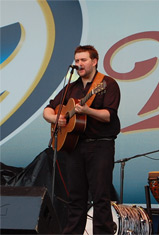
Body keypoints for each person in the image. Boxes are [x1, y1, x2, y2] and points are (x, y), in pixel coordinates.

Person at [43, 45, 121, 234]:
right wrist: (56, 118)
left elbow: (108, 115)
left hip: (100, 145)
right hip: (75, 147)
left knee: (100, 196)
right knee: (75, 197)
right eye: (77, 60)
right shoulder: (72, 87)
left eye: (83, 60)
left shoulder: (107, 84)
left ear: (94, 61)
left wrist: (87, 110)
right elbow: (48, 109)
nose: (79, 64)